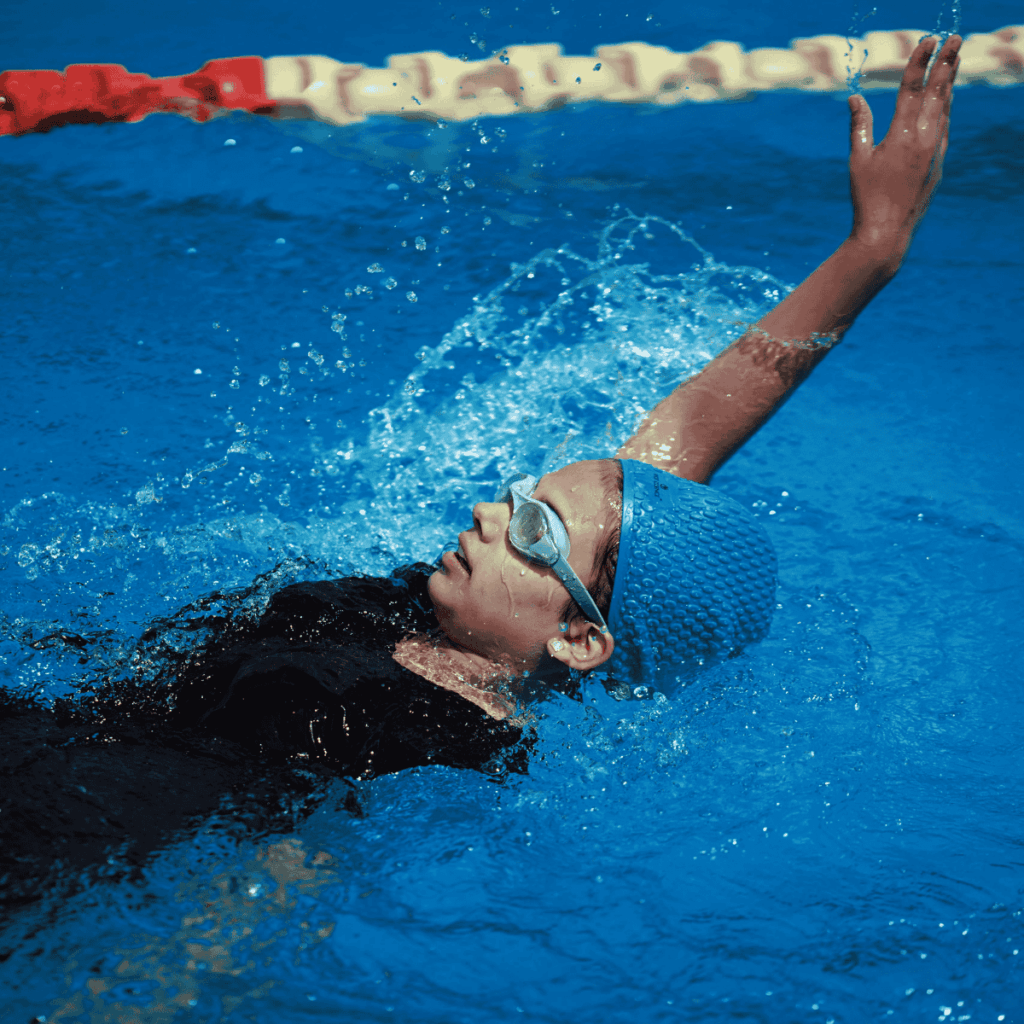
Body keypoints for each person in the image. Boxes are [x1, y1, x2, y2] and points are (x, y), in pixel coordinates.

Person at [0, 35, 960, 912]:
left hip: (60, 835)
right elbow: (686, 436)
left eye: (535, 529)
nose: (490, 515)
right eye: (519, 499)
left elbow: (273, 882)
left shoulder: (438, 743)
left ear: (582, 640)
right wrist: (872, 252)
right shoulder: (457, 602)